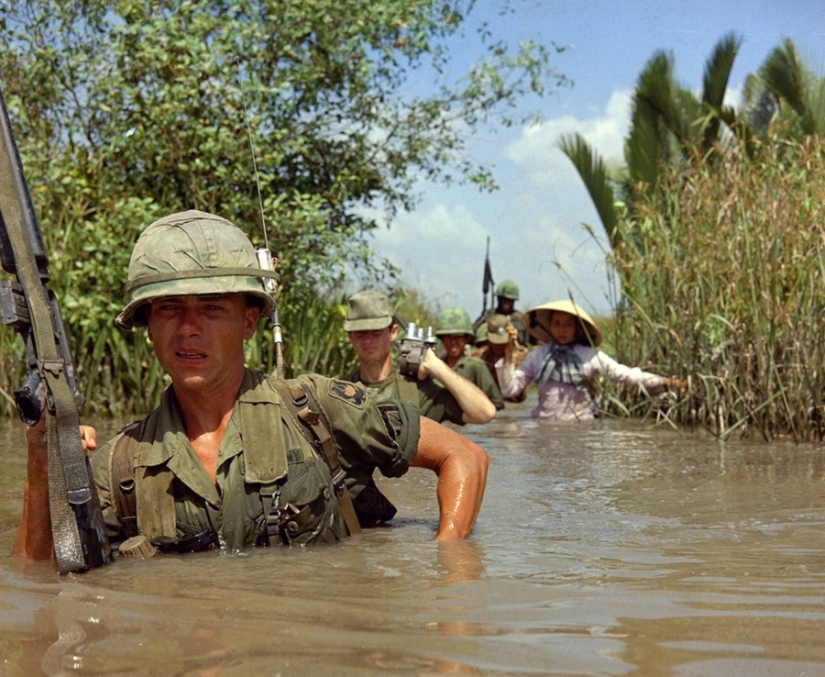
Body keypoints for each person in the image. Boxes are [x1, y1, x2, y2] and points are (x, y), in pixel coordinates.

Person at [13, 210, 489, 563]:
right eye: (168, 309)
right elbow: (37, 580)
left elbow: (465, 456)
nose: (188, 328)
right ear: (148, 327)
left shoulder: (315, 410)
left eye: (212, 308)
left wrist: (450, 573)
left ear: (249, 321)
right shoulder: (120, 465)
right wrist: (42, 466)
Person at [496, 299, 680, 421]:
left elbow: (625, 374)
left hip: (580, 426)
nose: (562, 330)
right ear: (549, 326)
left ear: (577, 328)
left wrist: (665, 381)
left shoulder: (589, 356)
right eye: (557, 323)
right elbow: (509, 389)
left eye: (569, 324)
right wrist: (507, 353)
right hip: (544, 426)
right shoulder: (538, 355)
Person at [343, 290, 496, 426]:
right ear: (350, 336)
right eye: (360, 333)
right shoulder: (339, 390)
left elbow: (485, 413)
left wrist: (436, 366)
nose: (368, 340)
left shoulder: (421, 391)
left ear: (393, 332)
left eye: (376, 332)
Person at [435, 307, 504, 411]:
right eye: (448, 337)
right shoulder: (435, 366)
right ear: (442, 338)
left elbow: (497, 403)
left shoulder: (475, 366)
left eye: (458, 337)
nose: (453, 342)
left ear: (466, 338)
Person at [472, 313, 529, 403]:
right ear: (487, 336)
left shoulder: (522, 356)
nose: (499, 345)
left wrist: (510, 352)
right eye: (496, 341)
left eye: (502, 341)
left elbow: (517, 396)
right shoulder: (477, 359)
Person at [474, 279, 529, 345]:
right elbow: (473, 332)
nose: (506, 303)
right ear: (498, 299)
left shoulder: (521, 318)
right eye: (503, 299)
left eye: (510, 300)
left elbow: (534, 339)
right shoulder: (488, 315)